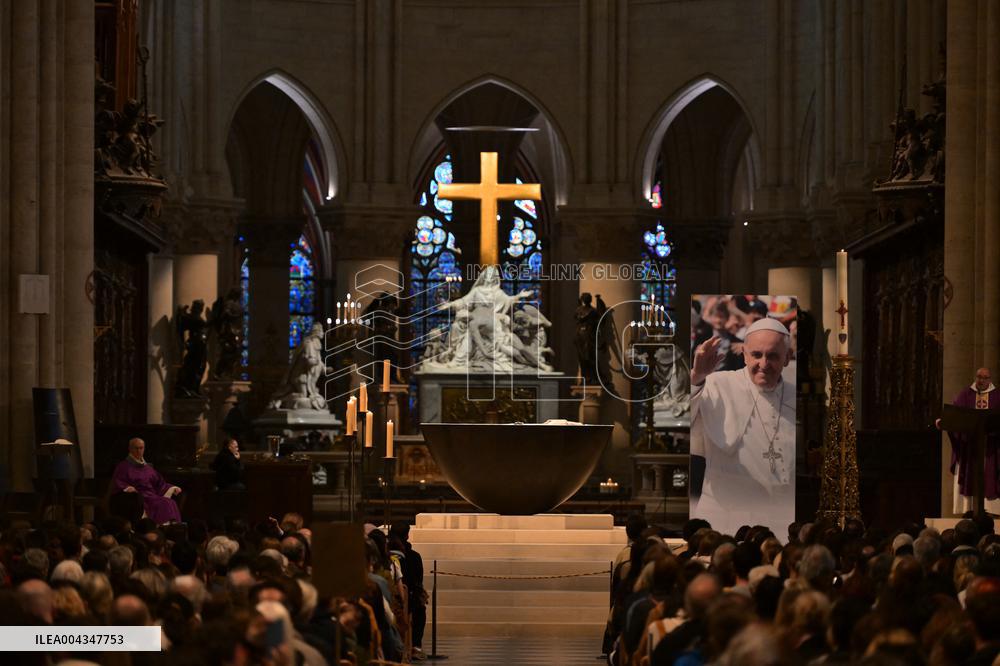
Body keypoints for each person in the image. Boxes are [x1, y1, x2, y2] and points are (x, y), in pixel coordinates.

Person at [689, 317, 795, 537]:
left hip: (778, 518)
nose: (763, 364)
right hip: (721, 517)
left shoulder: (795, 395)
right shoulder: (718, 383)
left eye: (773, 356)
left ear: (787, 358)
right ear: (744, 354)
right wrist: (697, 378)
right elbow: (685, 416)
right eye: (756, 355)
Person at [937, 368, 1000, 501]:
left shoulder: (997, 396)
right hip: (970, 444)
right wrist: (943, 421)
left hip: (990, 445)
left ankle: (991, 508)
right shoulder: (966, 394)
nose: (981, 380)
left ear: (990, 380)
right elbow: (955, 414)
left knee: (990, 473)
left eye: (985, 378)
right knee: (970, 472)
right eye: (979, 377)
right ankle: (970, 506)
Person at [110, 438, 182, 524]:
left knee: (171, 502)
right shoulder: (123, 466)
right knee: (164, 503)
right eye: (136, 448)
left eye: (141, 448)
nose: (138, 451)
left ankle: (171, 527)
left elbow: (160, 483)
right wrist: (128, 488)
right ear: (130, 449)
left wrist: (172, 488)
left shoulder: (148, 468)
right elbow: (118, 482)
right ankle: (158, 527)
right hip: (138, 497)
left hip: (152, 496)